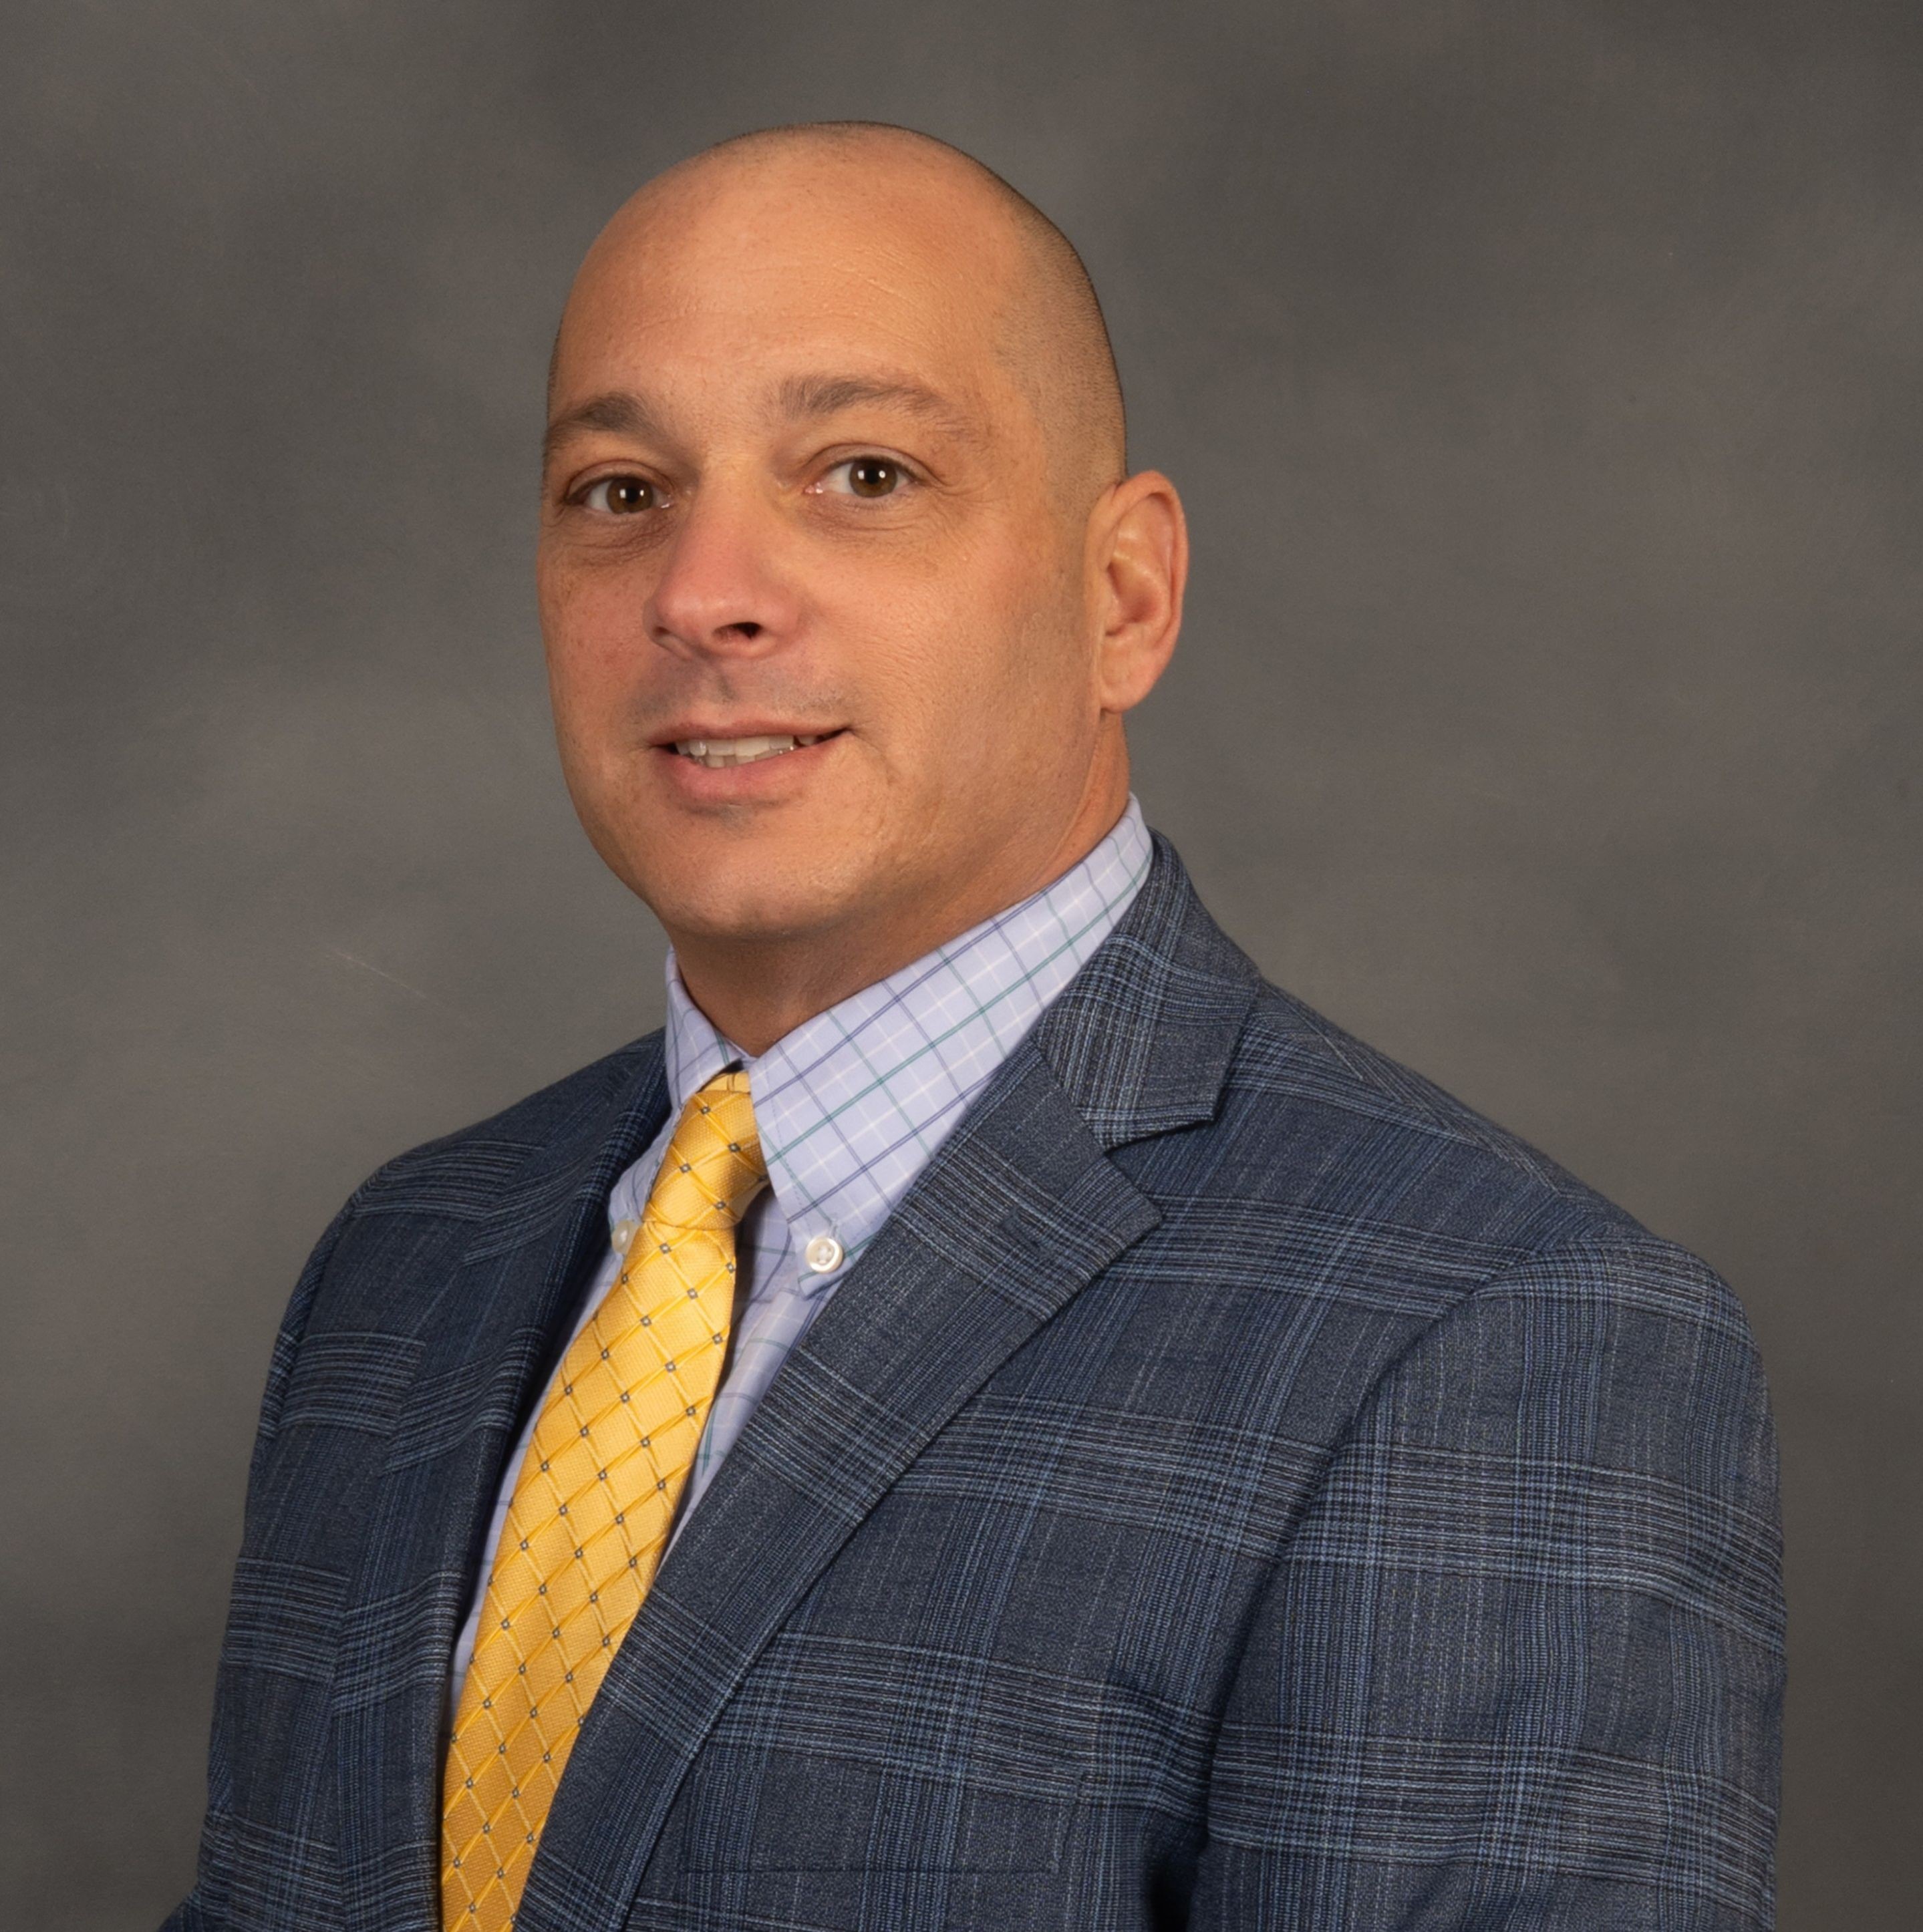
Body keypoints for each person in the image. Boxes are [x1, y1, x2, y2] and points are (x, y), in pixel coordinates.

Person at [165, 122, 1783, 1932]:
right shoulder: (406, 1266)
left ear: (1124, 597)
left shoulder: (1497, 1339)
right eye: (621, 491)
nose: (701, 593)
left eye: (864, 473)